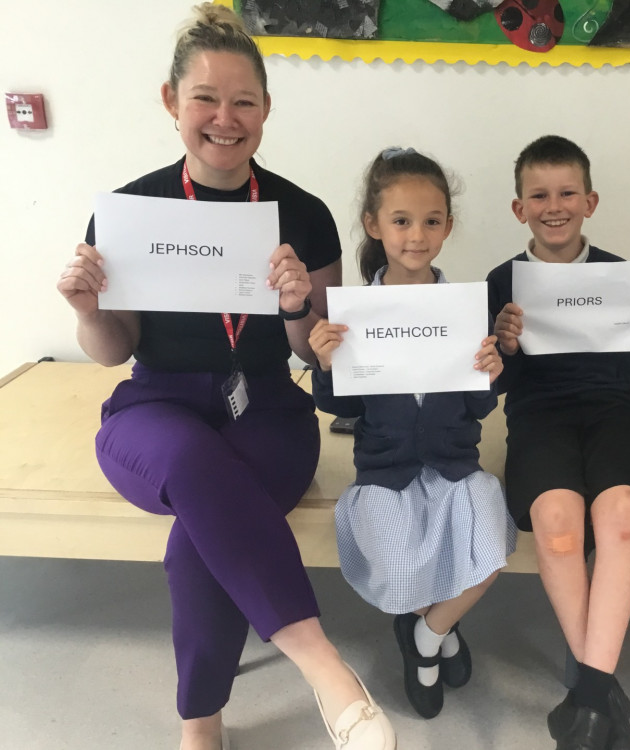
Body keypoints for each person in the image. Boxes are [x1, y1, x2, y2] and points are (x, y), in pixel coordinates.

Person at [55, 5, 394, 750]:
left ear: (266, 109)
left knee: (195, 536)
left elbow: (316, 352)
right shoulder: (131, 210)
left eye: (244, 101)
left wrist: (299, 304)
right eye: (205, 98)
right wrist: (87, 311)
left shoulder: (301, 214)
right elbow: (113, 349)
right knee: (186, 458)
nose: (225, 118)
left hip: (266, 407)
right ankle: (325, 667)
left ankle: (200, 723)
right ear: (172, 102)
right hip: (157, 406)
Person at [308, 148, 518, 721]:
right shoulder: (356, 313)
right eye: (400, 221)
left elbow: (478, 405)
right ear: (375, 226)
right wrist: (325, 366)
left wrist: (493, 374)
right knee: (403, 565)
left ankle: (426, 637)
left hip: (455, 464)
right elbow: (341, 406)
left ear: (448, 225)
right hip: (385, 469)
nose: (416, 236)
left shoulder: (467, 307)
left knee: (492, 545)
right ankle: (437, 628)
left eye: (431, 221)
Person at [486, 135, 630, 750]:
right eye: (538, 195)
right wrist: (505, 347)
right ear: (519, 209)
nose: (554, 205)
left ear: (590, 201)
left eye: (567, 193)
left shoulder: (620, 275)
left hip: (614, 411)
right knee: (558, 521)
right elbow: (494, 385)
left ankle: (587, 698)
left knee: (621, 516)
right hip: (539, 416)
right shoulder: (502, 280)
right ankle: (600, 695)